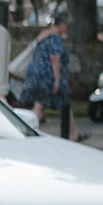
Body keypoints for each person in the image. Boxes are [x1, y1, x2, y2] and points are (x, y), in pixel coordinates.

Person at [19, 9, 73, 138]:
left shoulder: (43, 34)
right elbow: (55, 59)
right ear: (62, 24)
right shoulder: (55, 38)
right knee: (41, 105)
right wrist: (57, 80)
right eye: (68, 26)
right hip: (46, 76)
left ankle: (73, 132)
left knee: (39, 104)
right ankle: (30, 131)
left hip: (34, 74)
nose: (68, 29)